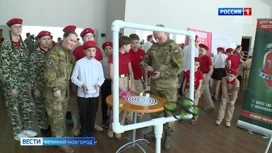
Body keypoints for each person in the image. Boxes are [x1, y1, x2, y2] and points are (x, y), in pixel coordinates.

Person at [140, 24, 183, 150]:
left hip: (168, 87)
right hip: (155, 86)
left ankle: (168, 135)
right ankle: (155, 131)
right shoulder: (154, 46)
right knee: (155, 110)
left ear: (166, 34)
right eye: (155, 38)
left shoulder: (174, 47)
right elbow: (144, 60)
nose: (157, 40)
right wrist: (146, 66)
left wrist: (162, 73)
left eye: (159, 37)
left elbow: (179, 67)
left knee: (169, 111)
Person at [0, 18, 37, 141]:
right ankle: (17, 132)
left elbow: (25, 64)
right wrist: (12, 86)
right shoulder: (5, 45)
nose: (18, 29)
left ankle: (26, 128)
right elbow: (4, 68)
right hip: (12, 83)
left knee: (29, 105)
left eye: (20, 26)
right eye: (15, 27)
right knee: (13, 108)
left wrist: (28, 81)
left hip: (23, 82)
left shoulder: (23, 44)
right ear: (10, 28)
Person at [43, 30, 77, 153]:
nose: (73, 43)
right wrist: (55, 88)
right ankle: (60, 141)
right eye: (70, 40)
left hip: (64, 91)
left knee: (60, 116)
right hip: (55, 93)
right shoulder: (54, 54)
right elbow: (49, 74)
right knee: (56, 117)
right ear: (63, 38)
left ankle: (58, 137)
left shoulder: (68, 54)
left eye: (75, 41)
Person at [72, 27, 104, 135]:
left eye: (93, 51)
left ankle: (90, 130)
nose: (91, 53)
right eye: (89, 51)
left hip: (95, 93)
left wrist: (98, 84)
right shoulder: (79, 63)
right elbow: (73, 78)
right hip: (82, 93)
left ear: (96, 51)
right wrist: (82, 85)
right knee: (83, 113)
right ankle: (83, 130)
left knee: (93, 113)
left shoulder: (98, 64)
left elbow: (101, 78)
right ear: (84, 51)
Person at [107, 36, 136, 138]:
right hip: (117, 81)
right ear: (124, 45)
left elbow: (131, 71)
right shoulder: (113, 56)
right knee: (116, 106)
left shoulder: (128, 55)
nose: (131, 46)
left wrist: (132, 85)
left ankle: (120, 127)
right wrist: (120, 88)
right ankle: (111, 127)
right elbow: (111, 74)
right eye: (129, 45)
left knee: (125, 106)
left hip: (126, 79)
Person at [29, 31, 52, 137]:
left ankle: (51, 127)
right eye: (44, 39)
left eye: (48, 39)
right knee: (41, 109)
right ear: (39, 40)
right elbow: (32, 73)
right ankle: (44, 129)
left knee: (51, 108)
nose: (47, 41)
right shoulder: (35, 54)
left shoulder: (52, 53)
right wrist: (35, 89)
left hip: (51, 87)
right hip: (40, 87)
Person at [182, 57, 203, 124]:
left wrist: (197, 91)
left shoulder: (199, 73)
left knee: (195, 104)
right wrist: (183, 88)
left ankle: (195, 117)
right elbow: (185, 81)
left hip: (196, 89)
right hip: (188, 89)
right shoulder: (188, 72)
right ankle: (186, 114)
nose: (195, 66)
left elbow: (200, 83)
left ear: (199, 66)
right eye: (194, 64)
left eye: (196, 65)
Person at [198, 44, 215, 111]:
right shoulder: (200, 57)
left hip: (205, 76)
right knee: (206, 91)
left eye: (202, 51)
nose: (200, 52)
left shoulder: (207, 58)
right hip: (201, 75)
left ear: (206, 51)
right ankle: (210, 105)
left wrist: (207, 77)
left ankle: (193, 104)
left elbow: (211, 69)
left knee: (199, 91)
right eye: (199, 50)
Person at [100, 41, 113, 128]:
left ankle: (112, 119)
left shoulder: (116, 59)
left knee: (113, 101)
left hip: (114, 82)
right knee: (104, 101)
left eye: (110, 48)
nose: (108, 50)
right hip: (105, 82)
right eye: (106, 49)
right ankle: (104, 119)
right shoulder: (102, 61)